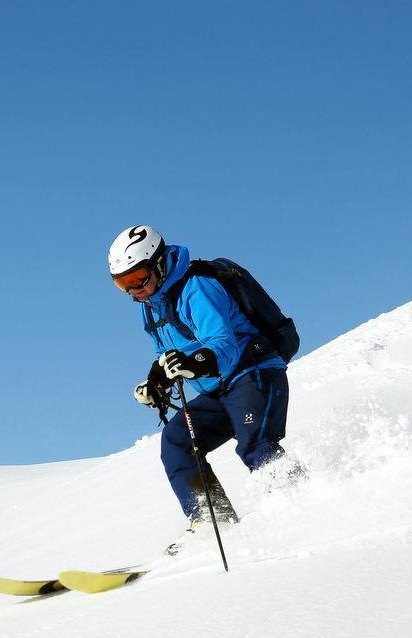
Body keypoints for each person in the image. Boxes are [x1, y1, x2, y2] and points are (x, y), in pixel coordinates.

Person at [108, 224, 293, 535]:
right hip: (220, 388)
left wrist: (196, 362)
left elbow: (223, 343)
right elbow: (167, 353)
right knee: (177, 440)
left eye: (137, 278)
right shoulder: (151, 307)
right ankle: (211, 519)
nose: (133, 291)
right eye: (122, 284)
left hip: (253, 373)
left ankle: (299, 506)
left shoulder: (198, 287)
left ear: (159, 264)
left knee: (257, 445)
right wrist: (157, 382)